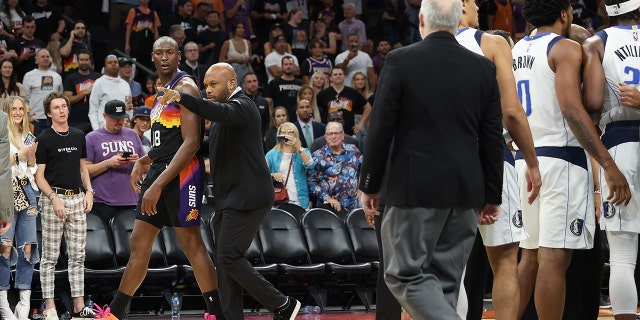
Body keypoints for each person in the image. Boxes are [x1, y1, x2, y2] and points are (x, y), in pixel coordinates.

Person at [357, 0, 504, 318]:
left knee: (402, 275)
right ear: (457, 20)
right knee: (446, 284)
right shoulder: (483, 68)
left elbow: (381, 128)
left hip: (415, 189)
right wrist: (493, 193)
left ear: (421, 20)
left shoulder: (400, 61)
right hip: (466, 191)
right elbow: (492, 137)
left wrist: (369, 183)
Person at [512, 0, 631, 319]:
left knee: (530, 257)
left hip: (527, 159)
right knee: (554, 258)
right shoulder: (563, 48)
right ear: (564, 13)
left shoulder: (517, 49)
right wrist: (607, 164)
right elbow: (577, 109)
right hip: (560, 159)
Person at [156, 62, 302, 320]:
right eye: (206, 85)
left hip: (249, 198)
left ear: (232, 84)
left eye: (214, 84)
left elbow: (213, 109)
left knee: (229, 257)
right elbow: (196, 143)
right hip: (228, 198)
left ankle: (283, 304)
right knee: (224, 264)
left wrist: (183, 98)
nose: (207, 89)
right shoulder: (225, 114)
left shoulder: (243, 107)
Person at [92, 37, 223, 320]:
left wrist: (158, 184)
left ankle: (217, 313)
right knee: (139, 241)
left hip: (183, 174)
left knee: (193, 245)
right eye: (159, 53)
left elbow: (190, 143)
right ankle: (115, 314)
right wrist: (144, 159)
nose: (164, 57)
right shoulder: (160, 90)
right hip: (162, 167)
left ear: (179, 57)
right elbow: (168, 141)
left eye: (170, 53)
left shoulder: (186, 87)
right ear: (151, 57)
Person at [455, 1, 542, 318]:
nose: (479, 5)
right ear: (462, 5)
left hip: (445, 163)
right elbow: (511, 111)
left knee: (454, 268)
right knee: (505, 262)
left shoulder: (422, 52)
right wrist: (531, 162)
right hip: (490, 156)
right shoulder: (490, 42)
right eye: (474, 0)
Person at [582, 1, 640, 319]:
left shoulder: (597, 42)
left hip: (620, 144)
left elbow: (591, 105)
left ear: (608, 10)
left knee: (621, 255)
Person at [34, 92, 95, 320]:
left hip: (78, 198)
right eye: (56, 107)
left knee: (78, 255)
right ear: (49, 113)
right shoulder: (44, 137)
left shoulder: (79, 135)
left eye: (64, 106)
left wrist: (89, 191)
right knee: (49, 257)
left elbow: (83, 168)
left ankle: (79, 305)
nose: (61, 110)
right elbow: (39, 176)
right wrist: (53, 197)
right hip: (53, 200)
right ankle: (49, 307)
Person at [0, 96, 38, 320]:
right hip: (6, 193)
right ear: (6, 111)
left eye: (20, 109)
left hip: (28, 191)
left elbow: (31, 168)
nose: (17, 112)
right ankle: (3, 304)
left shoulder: (28, 134)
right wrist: (20, 155)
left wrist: (30, 159)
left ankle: (24, 304)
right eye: (13, 109)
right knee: (4, 249)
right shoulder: (2, 134)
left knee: (28, 249)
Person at [85, 100, 144, 226]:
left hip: (131, 201)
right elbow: (84, 170)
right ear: (105, 116)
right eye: (114, 118)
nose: (119, 121)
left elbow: (148, 168)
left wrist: (138, 162)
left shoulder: (133, 135)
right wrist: (108, 163)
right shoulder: (92, 138)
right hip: (102, 203)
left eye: (122, 118)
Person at [309, 121, 362, 213]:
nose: (333, 137)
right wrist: (328, 198)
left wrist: (362, 189)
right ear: (326, 137)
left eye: (336, 133)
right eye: (330, 134)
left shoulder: (353, 150)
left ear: (342, 135)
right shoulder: (317, 156)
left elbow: (364, 169)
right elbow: (311, 182)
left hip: (353, 205)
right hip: (329, 207)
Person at [265, 122, 315, 209]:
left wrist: (298, 148)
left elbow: (310, 165)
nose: (287, 135)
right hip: (279, 201)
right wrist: (272, 174)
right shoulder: (271, 154)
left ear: (295, 134)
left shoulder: (303, 151)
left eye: (290, 132)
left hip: (300, 201)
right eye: (283, 132)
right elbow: (261, 174)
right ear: (279, 135)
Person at [315, 66, 371, 136]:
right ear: (330, 78)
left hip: (348, 133)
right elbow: (313, 106)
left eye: (340, 74)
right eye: (335, 74)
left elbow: (368, 107)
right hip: (329, 133)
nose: (338, 76)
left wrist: (360, 123)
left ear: (344, 77)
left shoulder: (352, 92)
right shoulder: (323, 94)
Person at [23, 48, 62, 136]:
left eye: (47, 56)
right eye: (42, 56)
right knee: (35, 147)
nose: (45, 58)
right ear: (36, 59)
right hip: (36, 119)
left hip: (54, 118)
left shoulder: (57, 76)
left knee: (54, 147)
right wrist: (27, 117)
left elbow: (60, 97)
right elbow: (25, 98)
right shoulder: (29, 75)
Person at [88, 55, 131, 130]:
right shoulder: (99, 83)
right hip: (104, 128)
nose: (113, 64)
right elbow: (93, 110)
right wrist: (96, 129)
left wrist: (129, 125)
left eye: (115, 62)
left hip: (123, 128)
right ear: (105, 67)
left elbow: (129, 108)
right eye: (110, 62)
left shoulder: (125, 84)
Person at [63, 50, 100, 135]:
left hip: (96, 118)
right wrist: (85, 92)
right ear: (78, 61)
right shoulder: (71, 78)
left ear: (90, 61)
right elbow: (67, 99)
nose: (84, 62)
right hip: (77, 120)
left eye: (86, 60)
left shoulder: (97, 77)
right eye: (82, 60)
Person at [124, 0, 161, 74]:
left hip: (148, 47)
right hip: (135, 46)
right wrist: (127, 44)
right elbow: (129, 29)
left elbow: (156, 31)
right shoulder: (133, 11)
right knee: (135, 70)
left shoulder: (153, 14)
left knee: (147, 70)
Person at [265, 56, 302, 121]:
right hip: (280, 118)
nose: (288, 66)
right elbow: (268, 103)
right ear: (282, 66)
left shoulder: (300, 84)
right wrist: (272, 118)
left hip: (297, 119)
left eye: (290, 64)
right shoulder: (274, 83)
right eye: (286, 64)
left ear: (294, 66)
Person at [14, 16, 44, 82]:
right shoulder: (16, 43)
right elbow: (13, 63)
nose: (30, 29)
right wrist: (24, 56)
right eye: (27, 27)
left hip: (39, 79)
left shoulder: (41, 43)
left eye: (32, 27)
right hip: (22, 78)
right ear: (22, 27)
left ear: (35, 27)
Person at [243, 72, 270, 137]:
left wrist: (266, 135)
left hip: (260, 139)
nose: (253, 84)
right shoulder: (240, 101)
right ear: (244, 85)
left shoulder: (263, 101)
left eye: (254, 81)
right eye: (249, 82)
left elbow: (267, 121)